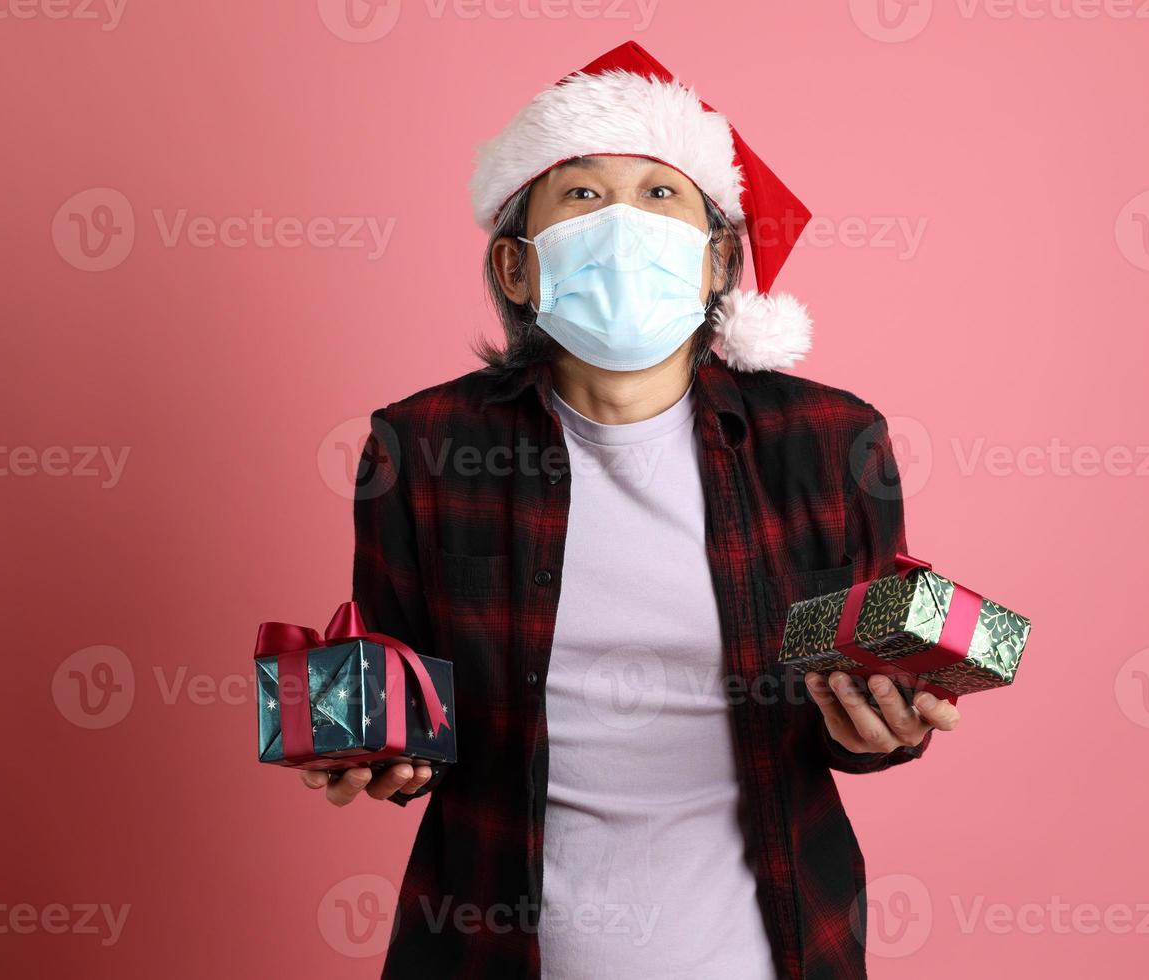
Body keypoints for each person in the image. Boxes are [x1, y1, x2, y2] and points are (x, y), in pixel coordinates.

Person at [300, 41, 960, 980]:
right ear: (518, 269)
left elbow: (857, 710)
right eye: (580, 195)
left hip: (770, 950)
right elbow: (400, 706)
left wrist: (880, 732)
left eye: (659, 195)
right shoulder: (421, 447)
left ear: (716, 258)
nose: (621, 221)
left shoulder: (831, 443)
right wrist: (369, 753)